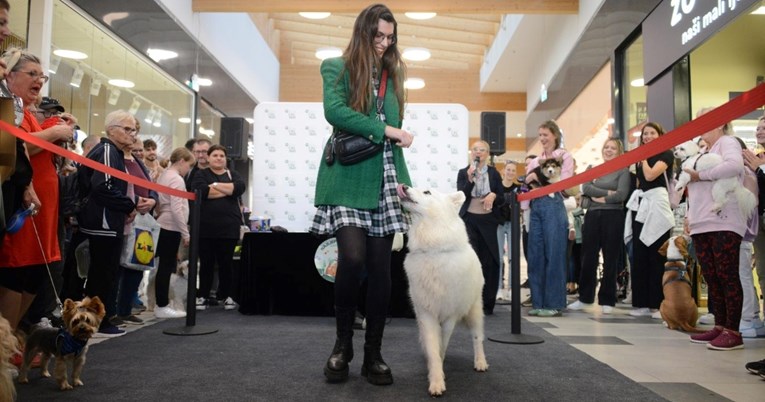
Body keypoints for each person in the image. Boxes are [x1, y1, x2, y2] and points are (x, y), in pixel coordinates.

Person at [310, 3, 413, 386]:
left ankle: (374, 352)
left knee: (382, 271)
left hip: (386, 178)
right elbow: (335, 112)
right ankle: (342, 345)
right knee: (351, 260)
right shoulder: (336, 67)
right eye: (378, 36)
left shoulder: (393, 75)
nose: (384, 43)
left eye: (390, 37)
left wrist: (404, 183)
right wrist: (385, 131)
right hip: (347, 177)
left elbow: (397, 136)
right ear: (363, 32)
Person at [0, 49, 73, 332]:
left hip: (41, 208)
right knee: (16, 273)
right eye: (32, 74)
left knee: (33, 275)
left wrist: (54, 127)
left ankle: (13, 335)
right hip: (23, 206)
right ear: (10, 75)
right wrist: (53, 133)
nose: (39, 81)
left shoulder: (25, 111)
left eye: (41, 76)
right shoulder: (10, 108)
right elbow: (18, 147)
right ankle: (6, 341)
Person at [684, 109, 750, 350]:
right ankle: (720, 325)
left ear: (721, 122)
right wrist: (690, 217)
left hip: (724, 219)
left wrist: (700, 175)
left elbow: (734, 166)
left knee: (727, 274)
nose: (701, 124)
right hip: (702, 221)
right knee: (711, 277)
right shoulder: (704, 151)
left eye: (706, 119)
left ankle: (733, 330)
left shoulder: (727, 142)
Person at [79, 110, 145, 337]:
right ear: (111, 130)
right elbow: (103, 187)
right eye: (127, 129)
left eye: (133, 130)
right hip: (102, 223)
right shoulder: (107, 150)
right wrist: (129, 205)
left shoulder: (114, 152)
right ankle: (99, 322)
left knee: (106, 274)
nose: (132, 134)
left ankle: (99, 320)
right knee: (101, 275)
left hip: (109, 221)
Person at [568, 138, 630, 314]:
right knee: (588, 258)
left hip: (613, 216)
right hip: (593, 216)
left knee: (610, 258)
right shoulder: (592, 169)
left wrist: (603, 197)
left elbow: (621, 194)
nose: (608, 150)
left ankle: (607, 300)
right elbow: (586, 188)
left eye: (613, 148)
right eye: (606, 147)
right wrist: (607, 193)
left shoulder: (623, 171)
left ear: (619, 152)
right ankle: (584, 298)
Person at [522, 120, 573, 317]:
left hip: (554, 205)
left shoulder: (565, 156)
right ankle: (538, 301)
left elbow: (565, 184)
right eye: (540, 135)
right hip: (536, 207)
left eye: (546, 135)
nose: (542, 139)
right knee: (535, 255)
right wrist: (526, 212)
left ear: (555, 135)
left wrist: (538, 179)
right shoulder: (535, 162)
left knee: (554, 254)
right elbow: (527, 185)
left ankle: (553, 302)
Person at [625, 122, 674, 318]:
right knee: (639, 254)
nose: (647, 136)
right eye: (645, 134)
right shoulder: (638, 157)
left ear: (659, 134)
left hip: (658, 206)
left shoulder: (666, 154)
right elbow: (639, 181)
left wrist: (643, 157)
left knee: (656, 255)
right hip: (642, 205)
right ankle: (641, 303)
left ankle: (657, 303)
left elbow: (651, 174)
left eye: (652, 133)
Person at [190, 144, 245, 311]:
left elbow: (239, 188)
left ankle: (227, 296)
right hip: (205, 228)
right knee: (206, 264)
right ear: (208, 157)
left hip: (229, 228)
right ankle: (203, 295)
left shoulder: (233, 174)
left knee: (226, 264)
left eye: (222, 155)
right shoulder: (201, 174)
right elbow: (201, 191)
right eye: (215, 155)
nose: (219, 158)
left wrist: (214, 186)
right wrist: (227, 190)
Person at [112, 136, 157, 326]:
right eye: (136, 149)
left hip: (143, 222)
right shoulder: (116, 159)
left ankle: (125, 309)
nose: (139, 152)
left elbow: (151, 187)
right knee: (118, 266)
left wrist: (152, 199)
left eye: (141, 150)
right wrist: (135, 202)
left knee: (138, 263)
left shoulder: (138, 162)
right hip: (124, 218)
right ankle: (112, 311)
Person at [457, 140, 503, 315]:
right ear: (471, 153)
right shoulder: (463, 172)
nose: (478, 152)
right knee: (470, 261)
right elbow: (462, 195)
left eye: (482, 150)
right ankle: (468, 304)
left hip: (488, 221)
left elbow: (502, 197)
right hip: (469, 220)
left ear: (487, 154)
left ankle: (487, 303)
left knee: (489, 261)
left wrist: (493, 195)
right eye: (475, 149)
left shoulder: (493, 173)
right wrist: (470, 179)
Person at [154, 147, 194, 319]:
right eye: (189, 166)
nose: (188, 170)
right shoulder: (176, 179)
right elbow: (177, 208)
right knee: (166, 266)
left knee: (164, 266)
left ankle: (161, 303)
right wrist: (185, 233)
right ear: (182, 161)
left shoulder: (164, 175)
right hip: (171, 227)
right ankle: (161, 304)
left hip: (164, 223)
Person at [496, 161, 520, 300]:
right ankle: (499, 287)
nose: (510, 172)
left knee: (513, 257)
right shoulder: (497, 187)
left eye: (513, 170)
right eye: (508, 169)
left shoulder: (518, 188)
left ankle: (511, 288)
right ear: (503, 171)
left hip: (513, 224)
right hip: (499, 224)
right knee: (499, 258)